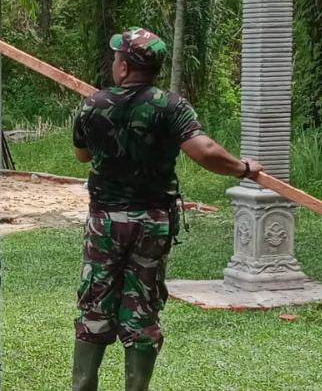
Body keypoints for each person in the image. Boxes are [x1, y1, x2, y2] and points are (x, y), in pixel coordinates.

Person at [71, 27, 262, 391]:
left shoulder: (92, 104)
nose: (114, 64)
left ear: (124, 67)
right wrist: (245, 168)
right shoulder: (170, 106)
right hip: (151, 223)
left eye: (116, 58)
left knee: (95, 303)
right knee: (142, 307)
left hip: (105, 223)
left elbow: (82, 154)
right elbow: (204, 151)